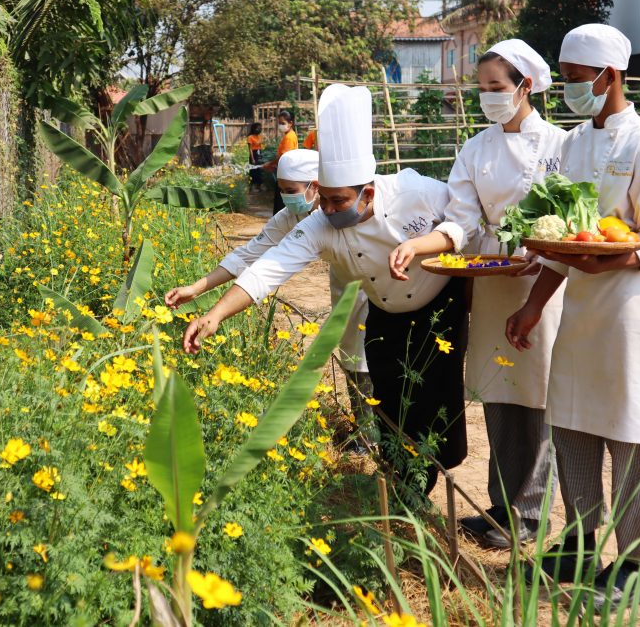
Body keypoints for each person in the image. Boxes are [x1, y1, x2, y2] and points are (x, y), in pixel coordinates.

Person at [181, 84, 469, 495]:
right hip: (384, 308)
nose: (328, 211)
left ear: (368, 193)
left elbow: (463, 219)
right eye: (326, 201)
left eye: (338, 201)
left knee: (434, 403)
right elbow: (267, 269)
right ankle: (401, 484)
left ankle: (424, 481)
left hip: (438, 305)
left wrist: (430, 245)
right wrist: (214, 314)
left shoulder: (415, 192)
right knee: (387, 396)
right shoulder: (318, 224)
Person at [505, 24, 640, 610]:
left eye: (576, 78)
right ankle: (583, 543)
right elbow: (564, 236)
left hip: (630, 314)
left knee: (631, 438)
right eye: (563, 78)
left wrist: (611, 255)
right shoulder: (573, 145)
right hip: (580, 311)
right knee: (575, 429)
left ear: (610, 76)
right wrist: (534, 305)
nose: (566, 90)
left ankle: (637, 565)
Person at [388, 39, 565, 549]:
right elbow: (460, 223)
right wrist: (420, 245)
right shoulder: (476, 148)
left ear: (524, 87)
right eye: (482, 87)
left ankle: (529, 515)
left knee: (537, 395)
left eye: (496, 87)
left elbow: (573, 222)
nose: (487, 96)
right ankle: (501, 507)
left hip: (543, 281)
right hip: (489, 281)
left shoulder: (560, 145)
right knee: (496, 390)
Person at [164, 148, 370, 407]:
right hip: (344, 276)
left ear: (315, 186)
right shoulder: (290, 216)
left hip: (376, 268)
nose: (285, 197)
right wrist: (197, 288)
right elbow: (249, 256)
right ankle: (366, 426)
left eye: (291, 190)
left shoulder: (345, 209)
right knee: (352, 346)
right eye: (281, 190)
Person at [265, 110, 298, 213]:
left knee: (280, 206)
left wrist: (270, 164)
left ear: (290, 123)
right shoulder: (290, 135)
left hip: (286, 175)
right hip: (288, 173)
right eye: (279, 123)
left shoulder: (289, 137)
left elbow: (283, 157)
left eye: (283, 123)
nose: (280, 125)